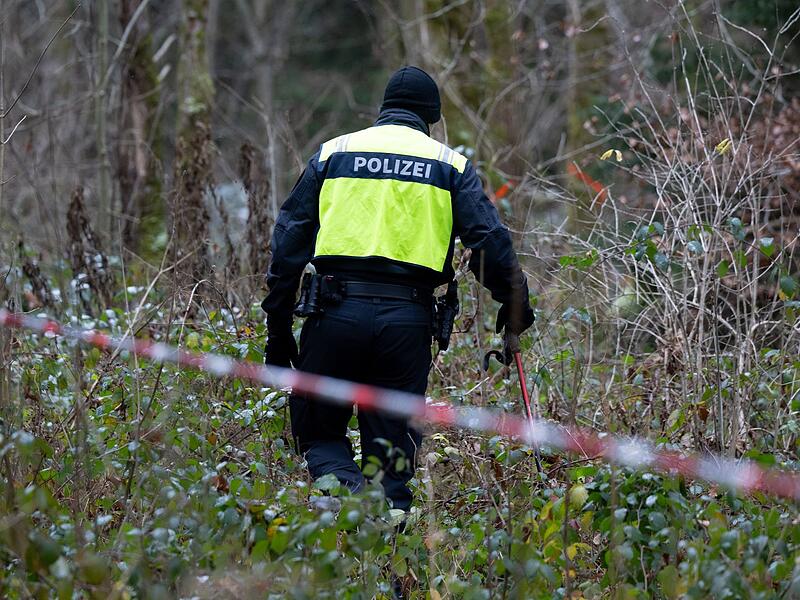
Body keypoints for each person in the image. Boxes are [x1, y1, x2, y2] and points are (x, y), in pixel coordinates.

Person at [262, 66, 534, 512]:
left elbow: (288, 244)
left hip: (332, 316)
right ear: (432, 117)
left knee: (320, 436)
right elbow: (488, 239)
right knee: (391, 461)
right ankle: (388, 553)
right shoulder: (451, 165)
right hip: (406, 324)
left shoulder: (334, 153)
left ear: (383, 110)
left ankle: (344, 508)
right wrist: (515, 301)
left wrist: (278, 330)